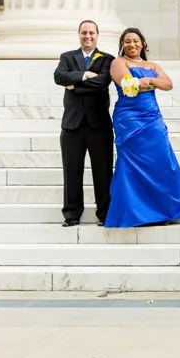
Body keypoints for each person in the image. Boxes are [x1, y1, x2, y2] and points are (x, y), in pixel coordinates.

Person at [106, 29, 180, 227]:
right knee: (131, 164)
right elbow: (127, 85)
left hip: (152, 118)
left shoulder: (152, 65)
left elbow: (168, 84)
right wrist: (148, 83)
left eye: (135, 41)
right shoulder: (118, 62)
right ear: (122, 44)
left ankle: (161, 210)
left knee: (161, 160)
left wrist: (151, 80)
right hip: (129, 119)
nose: (132, 44)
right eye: (127, 41)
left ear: (143, 43)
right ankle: (137, 213)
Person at [54, 20, 114, 226]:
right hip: (72, 125)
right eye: (84, 33)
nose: (87, 36)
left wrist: (75, 85)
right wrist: (85, 75)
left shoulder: (107, 59)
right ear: (78, 34)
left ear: (98, 35)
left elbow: (102, 83)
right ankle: (71, 215)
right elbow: (59, 76)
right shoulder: (67, 57)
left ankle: (105, 214)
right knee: (71, 170)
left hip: (99, 125)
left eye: (91, 33)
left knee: (104, 172)